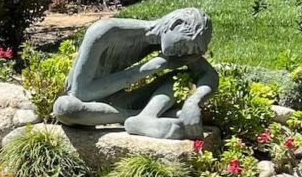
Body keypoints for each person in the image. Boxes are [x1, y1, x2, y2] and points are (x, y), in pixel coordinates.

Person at [51, 8, 216, 140]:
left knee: (182, 76)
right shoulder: (106, 31)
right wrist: (151, 67)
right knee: (65, 108)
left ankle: (146, 117)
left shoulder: (176, 49)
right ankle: (138, 117)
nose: (183, 54)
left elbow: (209, 75)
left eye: (191, 51)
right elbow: (81, 93)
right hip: (90, 106)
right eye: (183, 45)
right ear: (175, 25)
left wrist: (193, 102)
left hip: (122, 104)